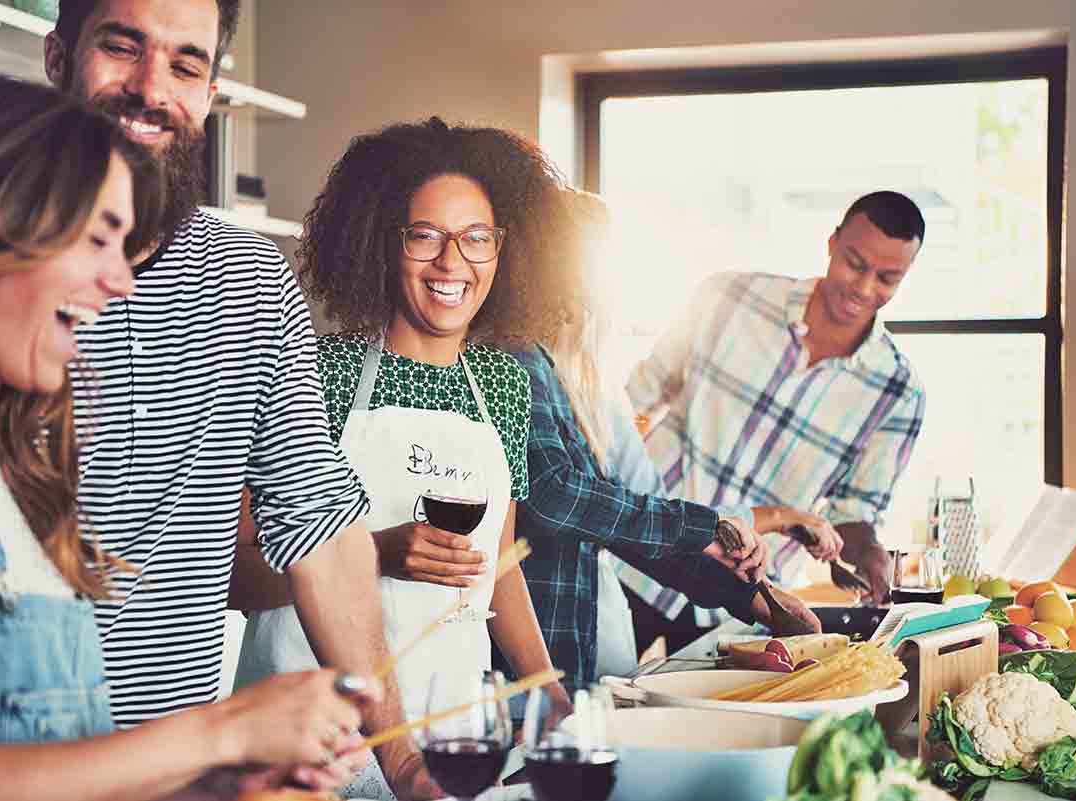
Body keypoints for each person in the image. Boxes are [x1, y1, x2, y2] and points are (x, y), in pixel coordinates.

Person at [0, 75, 380, 801]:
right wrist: (225, 731)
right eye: (97, 240)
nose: (120, 281)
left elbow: (38, 764)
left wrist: (217, 782)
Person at [43, 3, 427, 794]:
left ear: (211, 90)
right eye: (122, 47)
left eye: (186, 65)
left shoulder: (247, 277)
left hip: (188, 775)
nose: (152, 88)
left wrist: (403, 759)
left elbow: (318, 521)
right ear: (57, 58)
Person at [233, 117, 571, 800]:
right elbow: (237, 576)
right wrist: (375, 551)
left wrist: (549, 689)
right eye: (426, 235)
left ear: (505, 249)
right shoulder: (313, 372)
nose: (453, 262)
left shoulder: (504, 385)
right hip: (310, 740)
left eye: (476, 237)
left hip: (450, 738)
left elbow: (497, 566)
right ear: (382, 243)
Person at [510, 190, 819, 690]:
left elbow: (621, 526)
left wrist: (757, 601)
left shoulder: (566, 376)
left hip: (574, 659)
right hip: (522, 673)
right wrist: (704, 525)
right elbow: (555, 495)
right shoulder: (514, 360)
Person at [620, 190, 927, 648]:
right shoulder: (728, 297)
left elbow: (854, 514)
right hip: (637, 556)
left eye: (887, 278)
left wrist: (872, 556)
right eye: (855, 263)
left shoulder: (898, 392)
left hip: (741, 599)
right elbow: (632, 405)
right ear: (832, 242)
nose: (864, 288)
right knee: (589, 707)